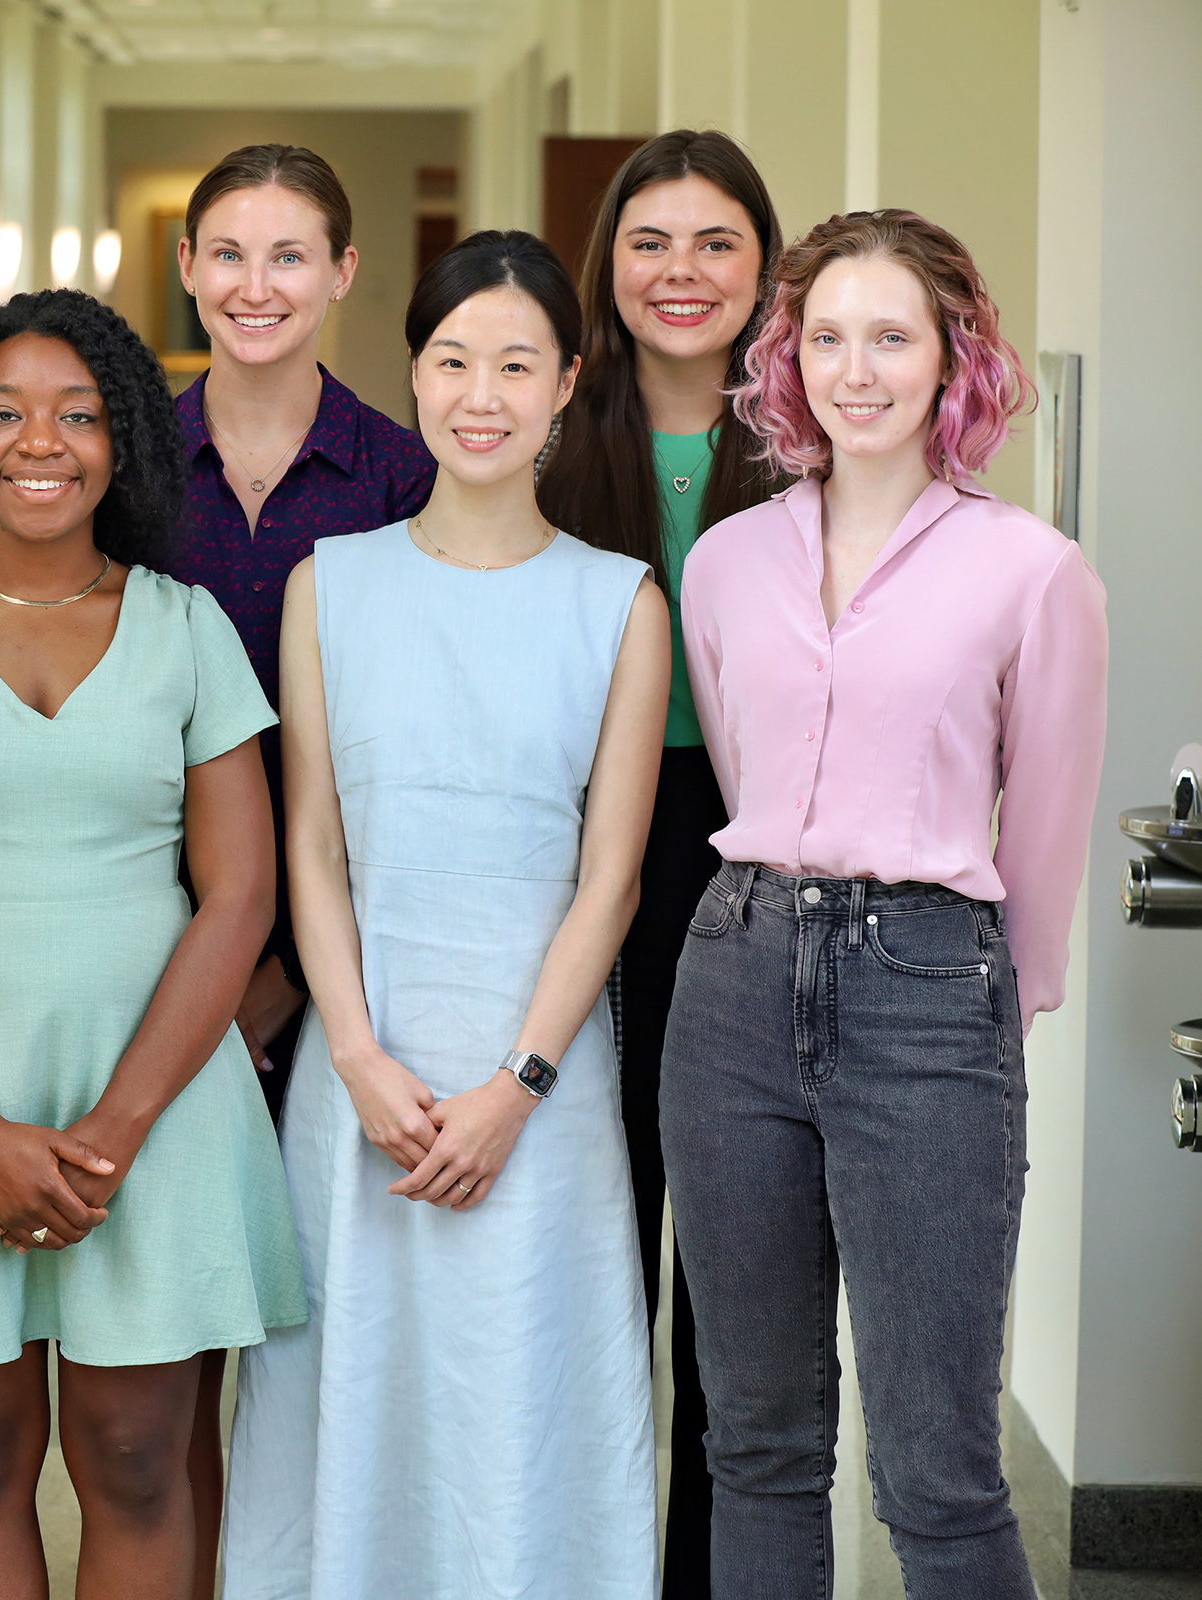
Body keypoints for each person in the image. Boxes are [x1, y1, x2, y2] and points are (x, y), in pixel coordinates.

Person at [0, 288, 304, 1600]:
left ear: (122, 443)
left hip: (155, 1099)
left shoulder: (188, 627)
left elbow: (240, 896)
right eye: (6, 413)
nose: (43, 441)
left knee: (140, 1452)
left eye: (79, 415)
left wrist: (114, 1134)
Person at [667, 210, 1108, 1599]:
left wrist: (990, 1022)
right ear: (789, 359)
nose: (857, 371)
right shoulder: (726, 561)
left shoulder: (1031, 570)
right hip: (732, 977)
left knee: (936, 1468)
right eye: (829, 338)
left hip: (928, 989)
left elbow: (1043, 830)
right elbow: (747, 771)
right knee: (756, 1444)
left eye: (893, 338)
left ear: (951, 359)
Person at [224, 231, 668, 1598]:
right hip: (367, 1075)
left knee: (529, 1406)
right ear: (411, 374)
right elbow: (311, 843)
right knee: (346, 1398)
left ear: (567, 386)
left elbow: (613, 879)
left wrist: (518, 1083)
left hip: (538, 1082)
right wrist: (354, 1053)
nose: (482, 393)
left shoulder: (621, 602)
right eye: (453, 359)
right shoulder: (330, 587)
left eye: (516, 365)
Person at [165, 141, 437, 1586]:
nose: (253, 285)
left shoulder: (406, 475)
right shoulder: (124, 460)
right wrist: (209, 975)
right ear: (189, 269)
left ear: (341, 274)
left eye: (289, 257)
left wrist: (283, 976)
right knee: (165, 1353)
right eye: (226, 253)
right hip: (147, 965)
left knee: (330, 1319)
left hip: (347, 972)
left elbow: (418, 742)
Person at [535, 127, 787, 1597]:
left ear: (767, 265)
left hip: (760, 867)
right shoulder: (556, 426)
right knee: (593, 1250)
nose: (681, 274)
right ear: (606, 264)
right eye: (651, 242)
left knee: (736, 1288)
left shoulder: (824, 430)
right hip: (583, 872)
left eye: (716, 244)